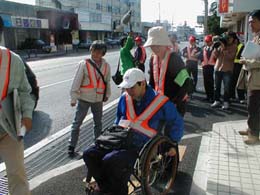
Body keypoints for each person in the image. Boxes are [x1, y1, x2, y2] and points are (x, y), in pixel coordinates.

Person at [83, 68, 184, 195]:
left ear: (142, 83)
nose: (128, 91)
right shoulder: (124, 98)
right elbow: (118, 119)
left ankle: (115, 190)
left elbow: (177, 122)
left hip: (141, 146)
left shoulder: (160, 102)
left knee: (111, 160)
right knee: (89, 154)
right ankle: (106, 187)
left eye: (131, 87)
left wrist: (172, 143)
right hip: (120, 138)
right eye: (126, 88)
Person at [0, 22, 34, 195]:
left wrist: (27, 115)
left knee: (17, 174)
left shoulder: (12, 60)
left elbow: (24, 91)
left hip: (10, 129)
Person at [68, 40, 111, 157]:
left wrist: (107, 94)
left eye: (98, 52)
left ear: (103, 53)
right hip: (84, 98)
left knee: (98, 123)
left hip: (98, 99)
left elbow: (107, 81)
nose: (95, 54)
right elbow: (77, 81)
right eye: (93, 51)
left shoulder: (106, 66)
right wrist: (73, 98)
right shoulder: (84, 64)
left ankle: (97, 144)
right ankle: (71, 146)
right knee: (77, 122)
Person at [144, 26, 191, 116]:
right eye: (152, 45)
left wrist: (174, 102)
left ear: (165, 44)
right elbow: (152, 83)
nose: (155, 48)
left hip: (175, 103)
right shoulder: (153, 59)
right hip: (159, 103)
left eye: (158, 45)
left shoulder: (174, 59)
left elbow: (185, 82)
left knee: (173, 129)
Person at [238, 10, 260, 144]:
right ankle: (251, 128)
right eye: (250, 22)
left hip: (258, 80)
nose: (250, 25)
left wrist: (248, 62)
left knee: (254, 107)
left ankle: (254, 134)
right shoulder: (256, 37)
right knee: (251, 105)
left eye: (254, 22)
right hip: (253, 78)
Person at [211, 32, 237, 110]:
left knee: (226, 87)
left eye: (230, 38)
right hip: (218, 68)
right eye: (227, 38)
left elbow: (231, 57)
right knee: (217, 86)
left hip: (227, 69)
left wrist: (225, 48)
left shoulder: (234, 47)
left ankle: (226, 102)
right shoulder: (220, 45)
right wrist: (216, 47)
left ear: (233, 39)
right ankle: (217, 100)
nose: (228, 39)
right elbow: (215, 56)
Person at [230, 34, 246, 103]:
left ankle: (241, 97)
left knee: (239, 82)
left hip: (238, 66)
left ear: (235, 40)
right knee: (232, 82)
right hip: (231, 65)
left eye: (232, 40)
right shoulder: (230, 46)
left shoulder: (241, 46)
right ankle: (232, 96)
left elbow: (241, 56)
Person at [201, 35, 217, 102]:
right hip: (205, 67)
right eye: (206, 41)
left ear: (211, 41)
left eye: (208, 41)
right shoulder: (204, 48)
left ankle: (212, 97)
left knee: (211, 83)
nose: (207, 43)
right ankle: (207, 96)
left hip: (212, 67)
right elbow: (202, 56)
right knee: (206, 82)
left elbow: (217, 57)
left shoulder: (215, 48)